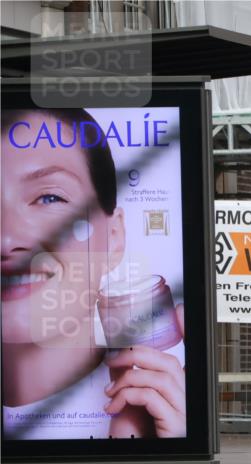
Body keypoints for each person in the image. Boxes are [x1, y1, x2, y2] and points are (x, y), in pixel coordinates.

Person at [2, 108, 186, 440]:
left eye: (49, 197)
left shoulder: (161, 404)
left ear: (113, 236)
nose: (7, 240)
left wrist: (174, 453)